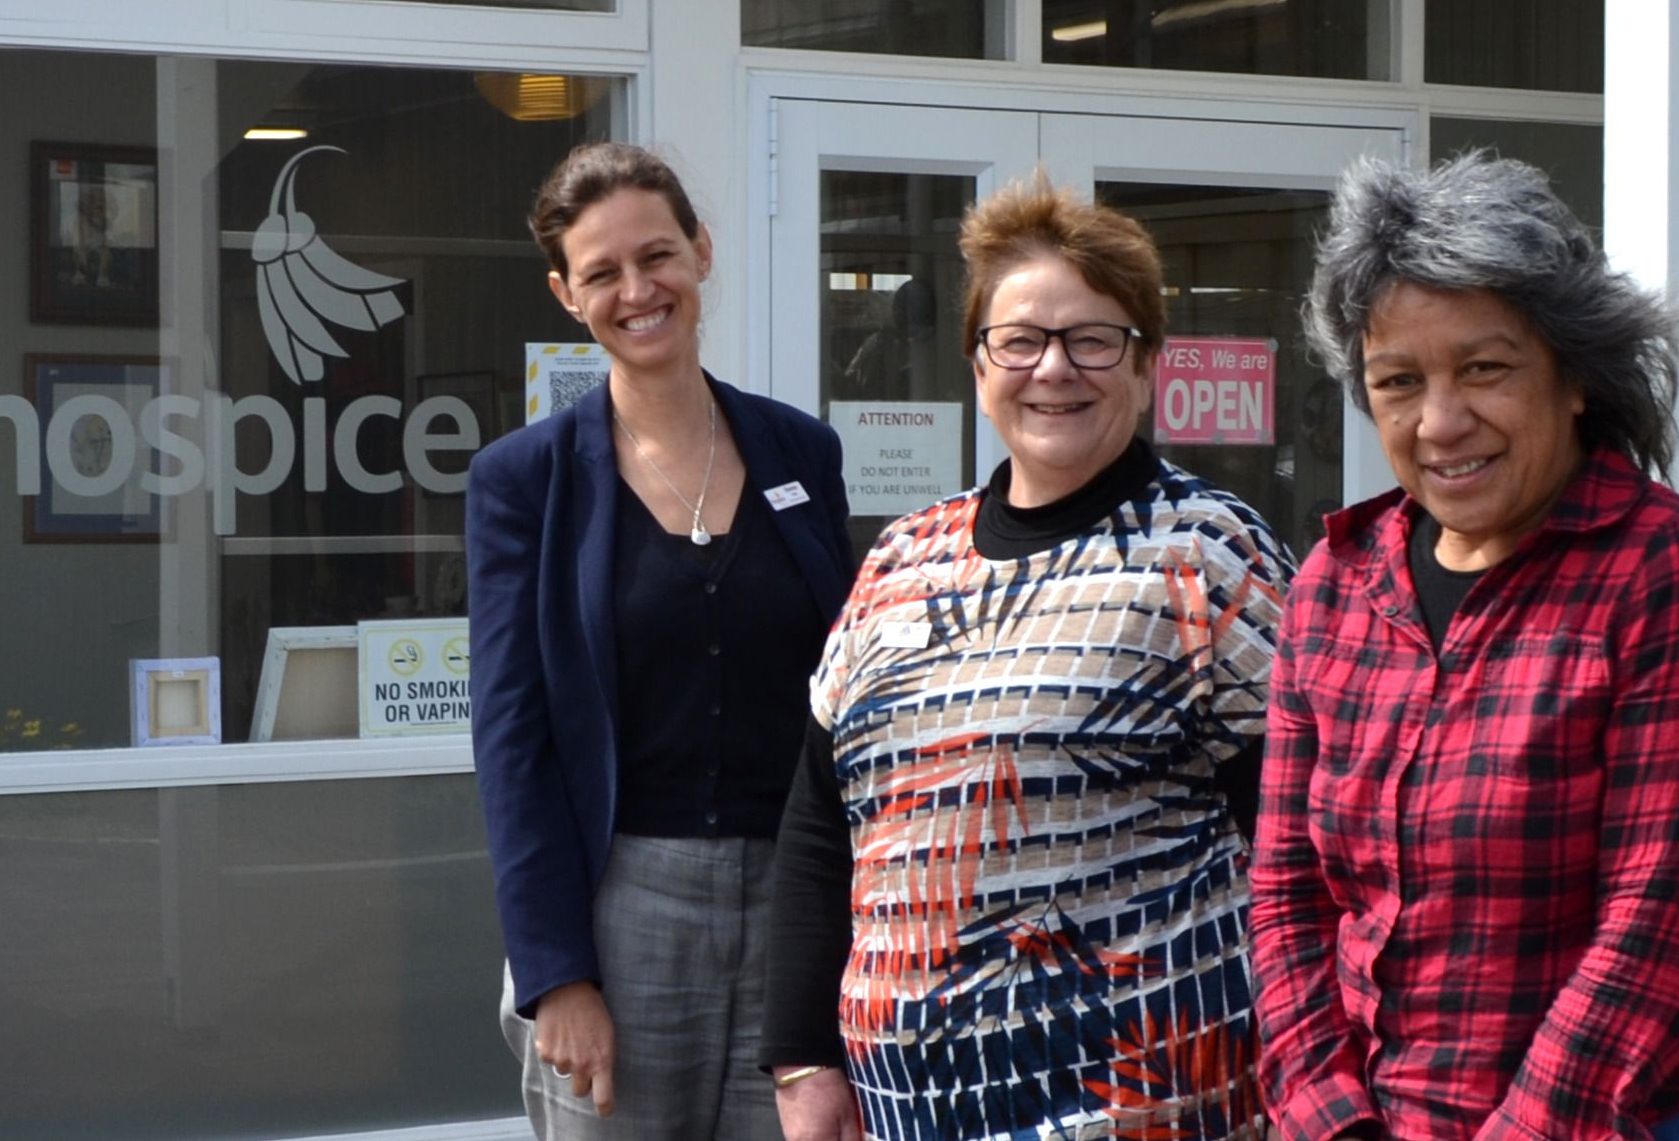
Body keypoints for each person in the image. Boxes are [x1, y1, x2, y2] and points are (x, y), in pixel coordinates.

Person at [762, 175, 1294, 1141]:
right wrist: (800, 1059)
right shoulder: (900, 557)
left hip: (1147, 1104)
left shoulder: (1211, 553)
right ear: (978, 363)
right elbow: (817, 828)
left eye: (1093, 339)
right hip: (901, 1112)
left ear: (1146, 364)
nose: (1053, 367)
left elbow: (1301, 844)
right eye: (1019, 340)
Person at [1250, 151, 1679, 1140]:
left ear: (1572, 375)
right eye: (1398, 381)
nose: (1439, 423)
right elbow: (1284, 894)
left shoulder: (1651, 571)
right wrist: (1329, 1117)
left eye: (1483, 368)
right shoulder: (1334, 585)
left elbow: (1653, 915)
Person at [467, 141, 855, 1140]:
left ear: (701, 251)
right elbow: (512, 741)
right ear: (566, 294)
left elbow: (844, 687)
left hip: (794, 901)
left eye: (657, 256)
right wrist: (557, 973)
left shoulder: (801, 451)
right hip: (620, 905)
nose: (637, 291)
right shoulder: (524, 482)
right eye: (601, 272)